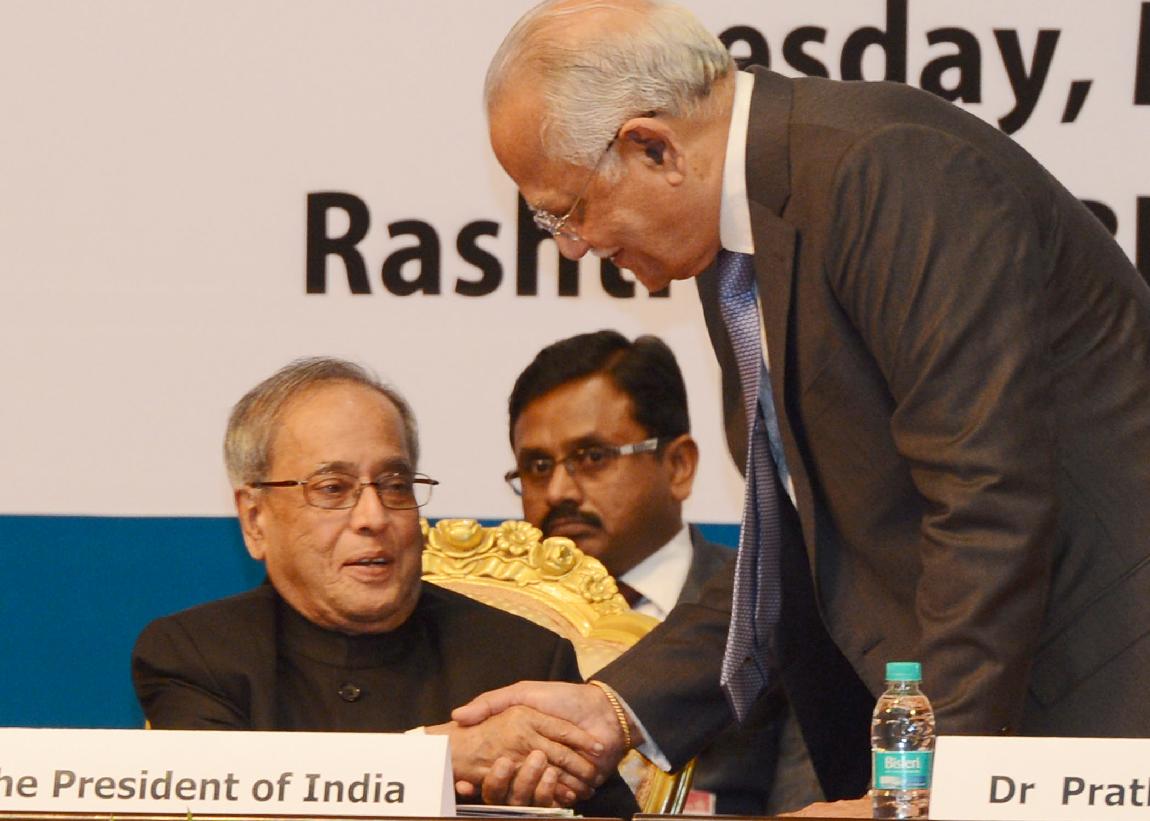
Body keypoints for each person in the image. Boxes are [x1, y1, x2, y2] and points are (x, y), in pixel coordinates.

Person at [455, 0, 1150, 815]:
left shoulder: (890, 169)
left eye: (569, 209)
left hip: (1095, 705)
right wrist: (618, 708)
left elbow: (988, 501)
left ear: (653, 146)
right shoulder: (735, 240)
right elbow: (796, 541)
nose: (572, 245)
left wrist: (922, 787)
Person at [131, 356, 637, 816]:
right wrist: (438, 759)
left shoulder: (525, 659)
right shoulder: (194, 656)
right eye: (333, 489)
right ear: (254, 518)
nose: (374, 517)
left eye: (395, 485)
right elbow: (221, 796)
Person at [507, 329, 802, 814]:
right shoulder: (496, 618)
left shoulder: (774, 605)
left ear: (679, 465)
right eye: (537, 466)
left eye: (592, 457)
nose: (558, 491)